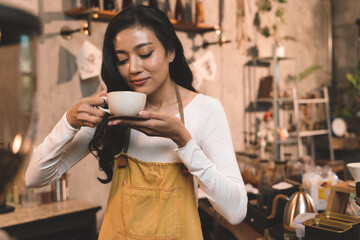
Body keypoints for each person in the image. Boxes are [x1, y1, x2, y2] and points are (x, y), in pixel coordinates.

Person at [25, 4, 247, 239]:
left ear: (170, 52)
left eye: (145, 54)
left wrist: (184, 141)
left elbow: (236, 212)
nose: (133, 68)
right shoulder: (113, 111)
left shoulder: (205, 110)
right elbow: (35, 177)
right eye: (122, 59)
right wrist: (68, 123)